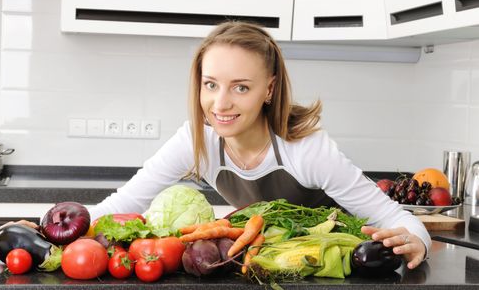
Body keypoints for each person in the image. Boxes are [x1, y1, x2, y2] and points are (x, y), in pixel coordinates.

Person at [88, 21, 430, 270]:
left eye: (240, 88)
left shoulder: (307, 150)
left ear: (269, 89)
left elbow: (395, 218)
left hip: (327, 266)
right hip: (266, 265)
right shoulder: (197, 138)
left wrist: (420, 244)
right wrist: (49, 229)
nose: (220, 104)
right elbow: (126, 203)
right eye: (211, 84)